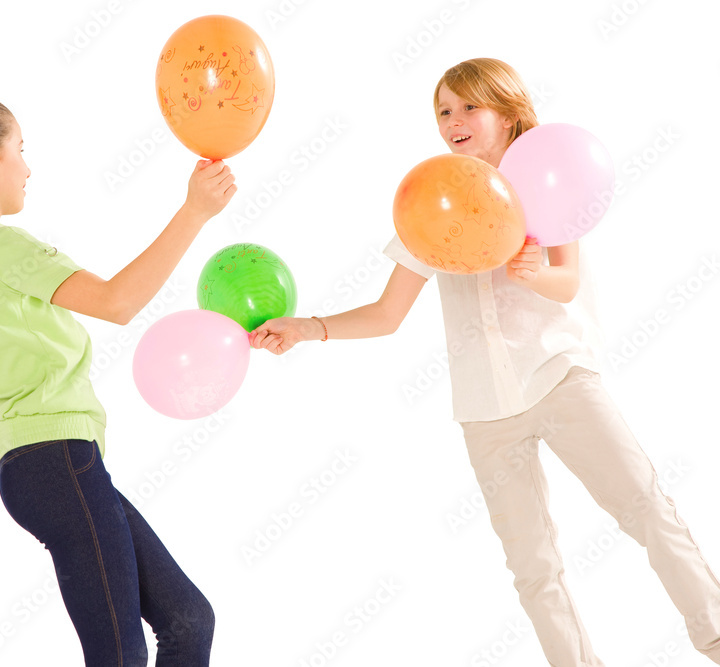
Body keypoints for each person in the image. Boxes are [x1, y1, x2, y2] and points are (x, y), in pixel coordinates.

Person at [249, 58, 720, 666]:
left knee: (645, 506)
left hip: (560, 377)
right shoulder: (433, 203)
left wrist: (537, 271)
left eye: (470, 106)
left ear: (508, 112)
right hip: (486, 409)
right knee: (532, 565)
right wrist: (309, 328)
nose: (455, 121)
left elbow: (567, 282)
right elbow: (387, 314)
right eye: (444, 111)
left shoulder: (546, 180)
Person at [0, 90, 236, 666]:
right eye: (20, 149)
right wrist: (195, 211)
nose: (28, 165)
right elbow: (118, 302)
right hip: (55, 460)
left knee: (187, 619)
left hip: (52, 466)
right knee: (119, 654)